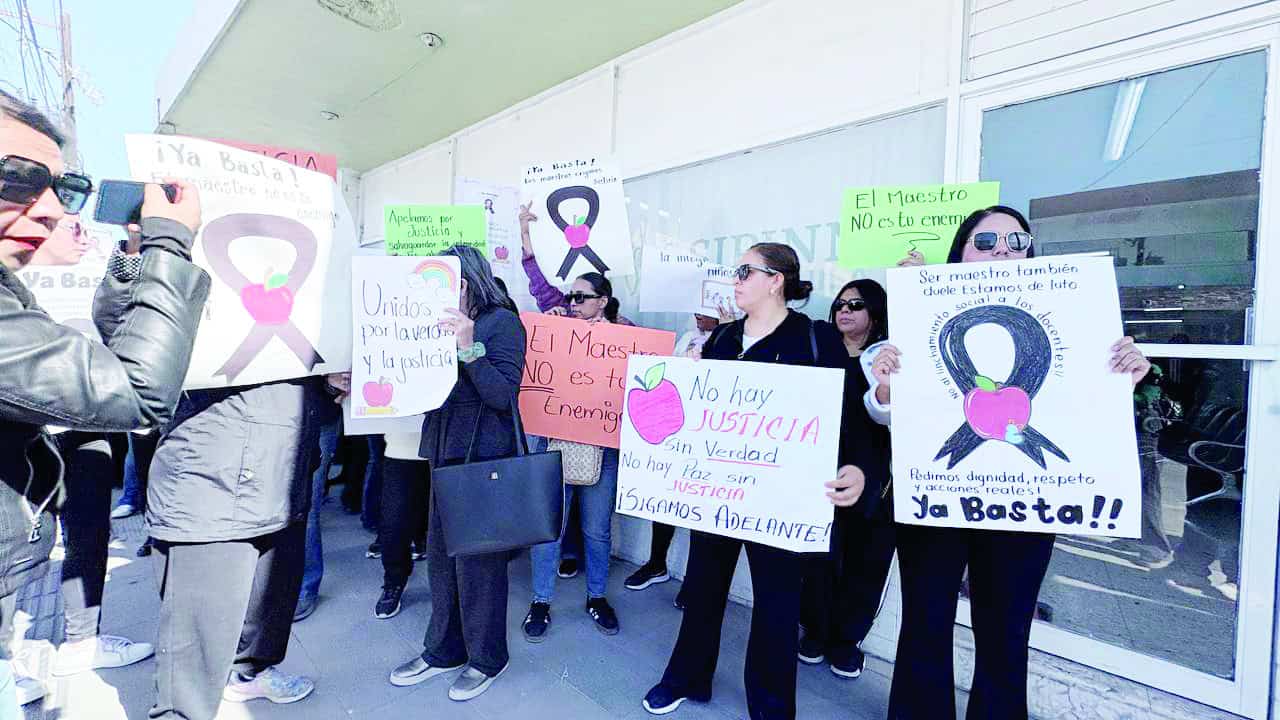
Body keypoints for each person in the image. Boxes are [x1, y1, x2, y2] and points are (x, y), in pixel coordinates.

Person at [872, 206, 1151, 720]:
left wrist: (1119, 379)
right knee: (925, 625)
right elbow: (892, 419)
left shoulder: (1072, 316)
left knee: (1006, 633)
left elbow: (1083, 411)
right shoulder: (921, 318)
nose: (1003, 249)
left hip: (1024, 505)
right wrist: (887, 389)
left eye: (1017, 240)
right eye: (986, 241)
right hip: (938, 500)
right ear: (960, 254)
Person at [0, 90, 208, 717]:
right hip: (69, 428)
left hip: (60, 452)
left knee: (86, 534)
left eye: (65, 191)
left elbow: (110, 332)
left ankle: (73, 639)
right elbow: (139, 391)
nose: (51, 210)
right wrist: (170, 245)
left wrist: (135, 258)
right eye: (17, 178)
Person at [642, 243, 868, 719]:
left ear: (776, 280)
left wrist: (857, 465)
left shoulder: (815, 338)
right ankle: (686, 678)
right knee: (703, 586)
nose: (735, 280)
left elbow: (848, 413)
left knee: (777, 604)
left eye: (745, 271)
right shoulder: (723, 339)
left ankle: (771, 706)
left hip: (782, 499)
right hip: (718, 490)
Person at [145, 368, 336, 720]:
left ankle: (250, 674)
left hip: (283, 468)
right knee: (194, 650)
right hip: (213, 470)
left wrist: (326, 382)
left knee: (268, 603)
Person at [387, 244, 525, 702]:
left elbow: (503, 395)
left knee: (480, 565)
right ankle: (444, 649)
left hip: (482, 458)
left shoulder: (502, 322)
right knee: (442, 558)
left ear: (465, 282)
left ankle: (487, 658)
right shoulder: (434, 323)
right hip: (444, 451)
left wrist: (469, 348)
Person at [521, 272, 626, 642]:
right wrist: (546, 332)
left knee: (597, 530)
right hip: (554, 444)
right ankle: (540, 601)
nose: (573, 303)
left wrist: (610, 335)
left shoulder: (624, 334)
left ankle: (596, 596)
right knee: (549, 528)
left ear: (603, 301)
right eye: (570, 297)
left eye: (581, 297)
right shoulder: (557, 330)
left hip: (602, 448)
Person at [798, 279, 893, 679]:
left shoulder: (888, 356)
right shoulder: (818, 348)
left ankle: (847, 641)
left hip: (874, 477)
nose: (844, 310)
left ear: (875, 312)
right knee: (818, 557)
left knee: (866, 562)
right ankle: (814, 631)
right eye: (840, 303)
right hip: (820, 471)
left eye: (856, 304)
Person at [624, 313, 718, 596]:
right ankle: (657, 563)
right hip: (677, 434)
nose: (699, 315)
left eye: (706, 310)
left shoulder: (733, 339)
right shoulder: (688, 338)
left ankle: (695, 581)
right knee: (666, 500)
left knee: (701, 512)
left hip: (713, 438)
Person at [374, 428, 431, 619]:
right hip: (401, 447)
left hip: (451, 444)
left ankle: (458, 591)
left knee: (452, 523)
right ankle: (394, 581)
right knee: (394, 523)